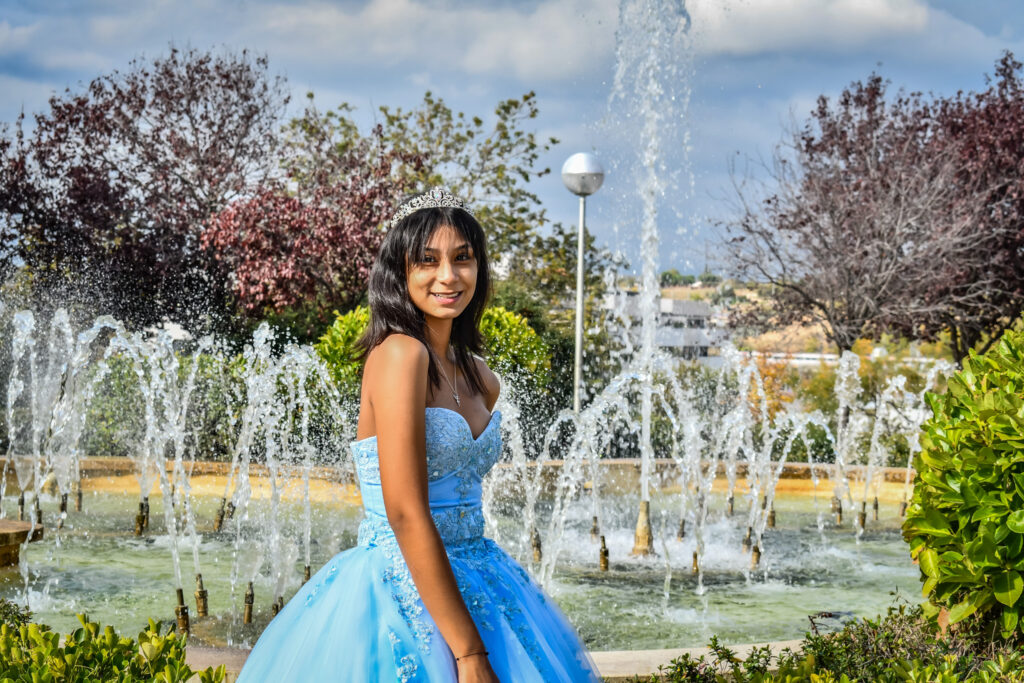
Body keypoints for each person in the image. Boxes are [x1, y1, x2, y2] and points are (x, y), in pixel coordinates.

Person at [236, 188, 602, 682]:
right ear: (400, 271)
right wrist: (470, 655)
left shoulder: (479, 375)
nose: (448, 276)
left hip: (484, 578)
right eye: (427, 261)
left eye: (463, 259)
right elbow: (405, 512)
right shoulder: (398, 356)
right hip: (402, 587)